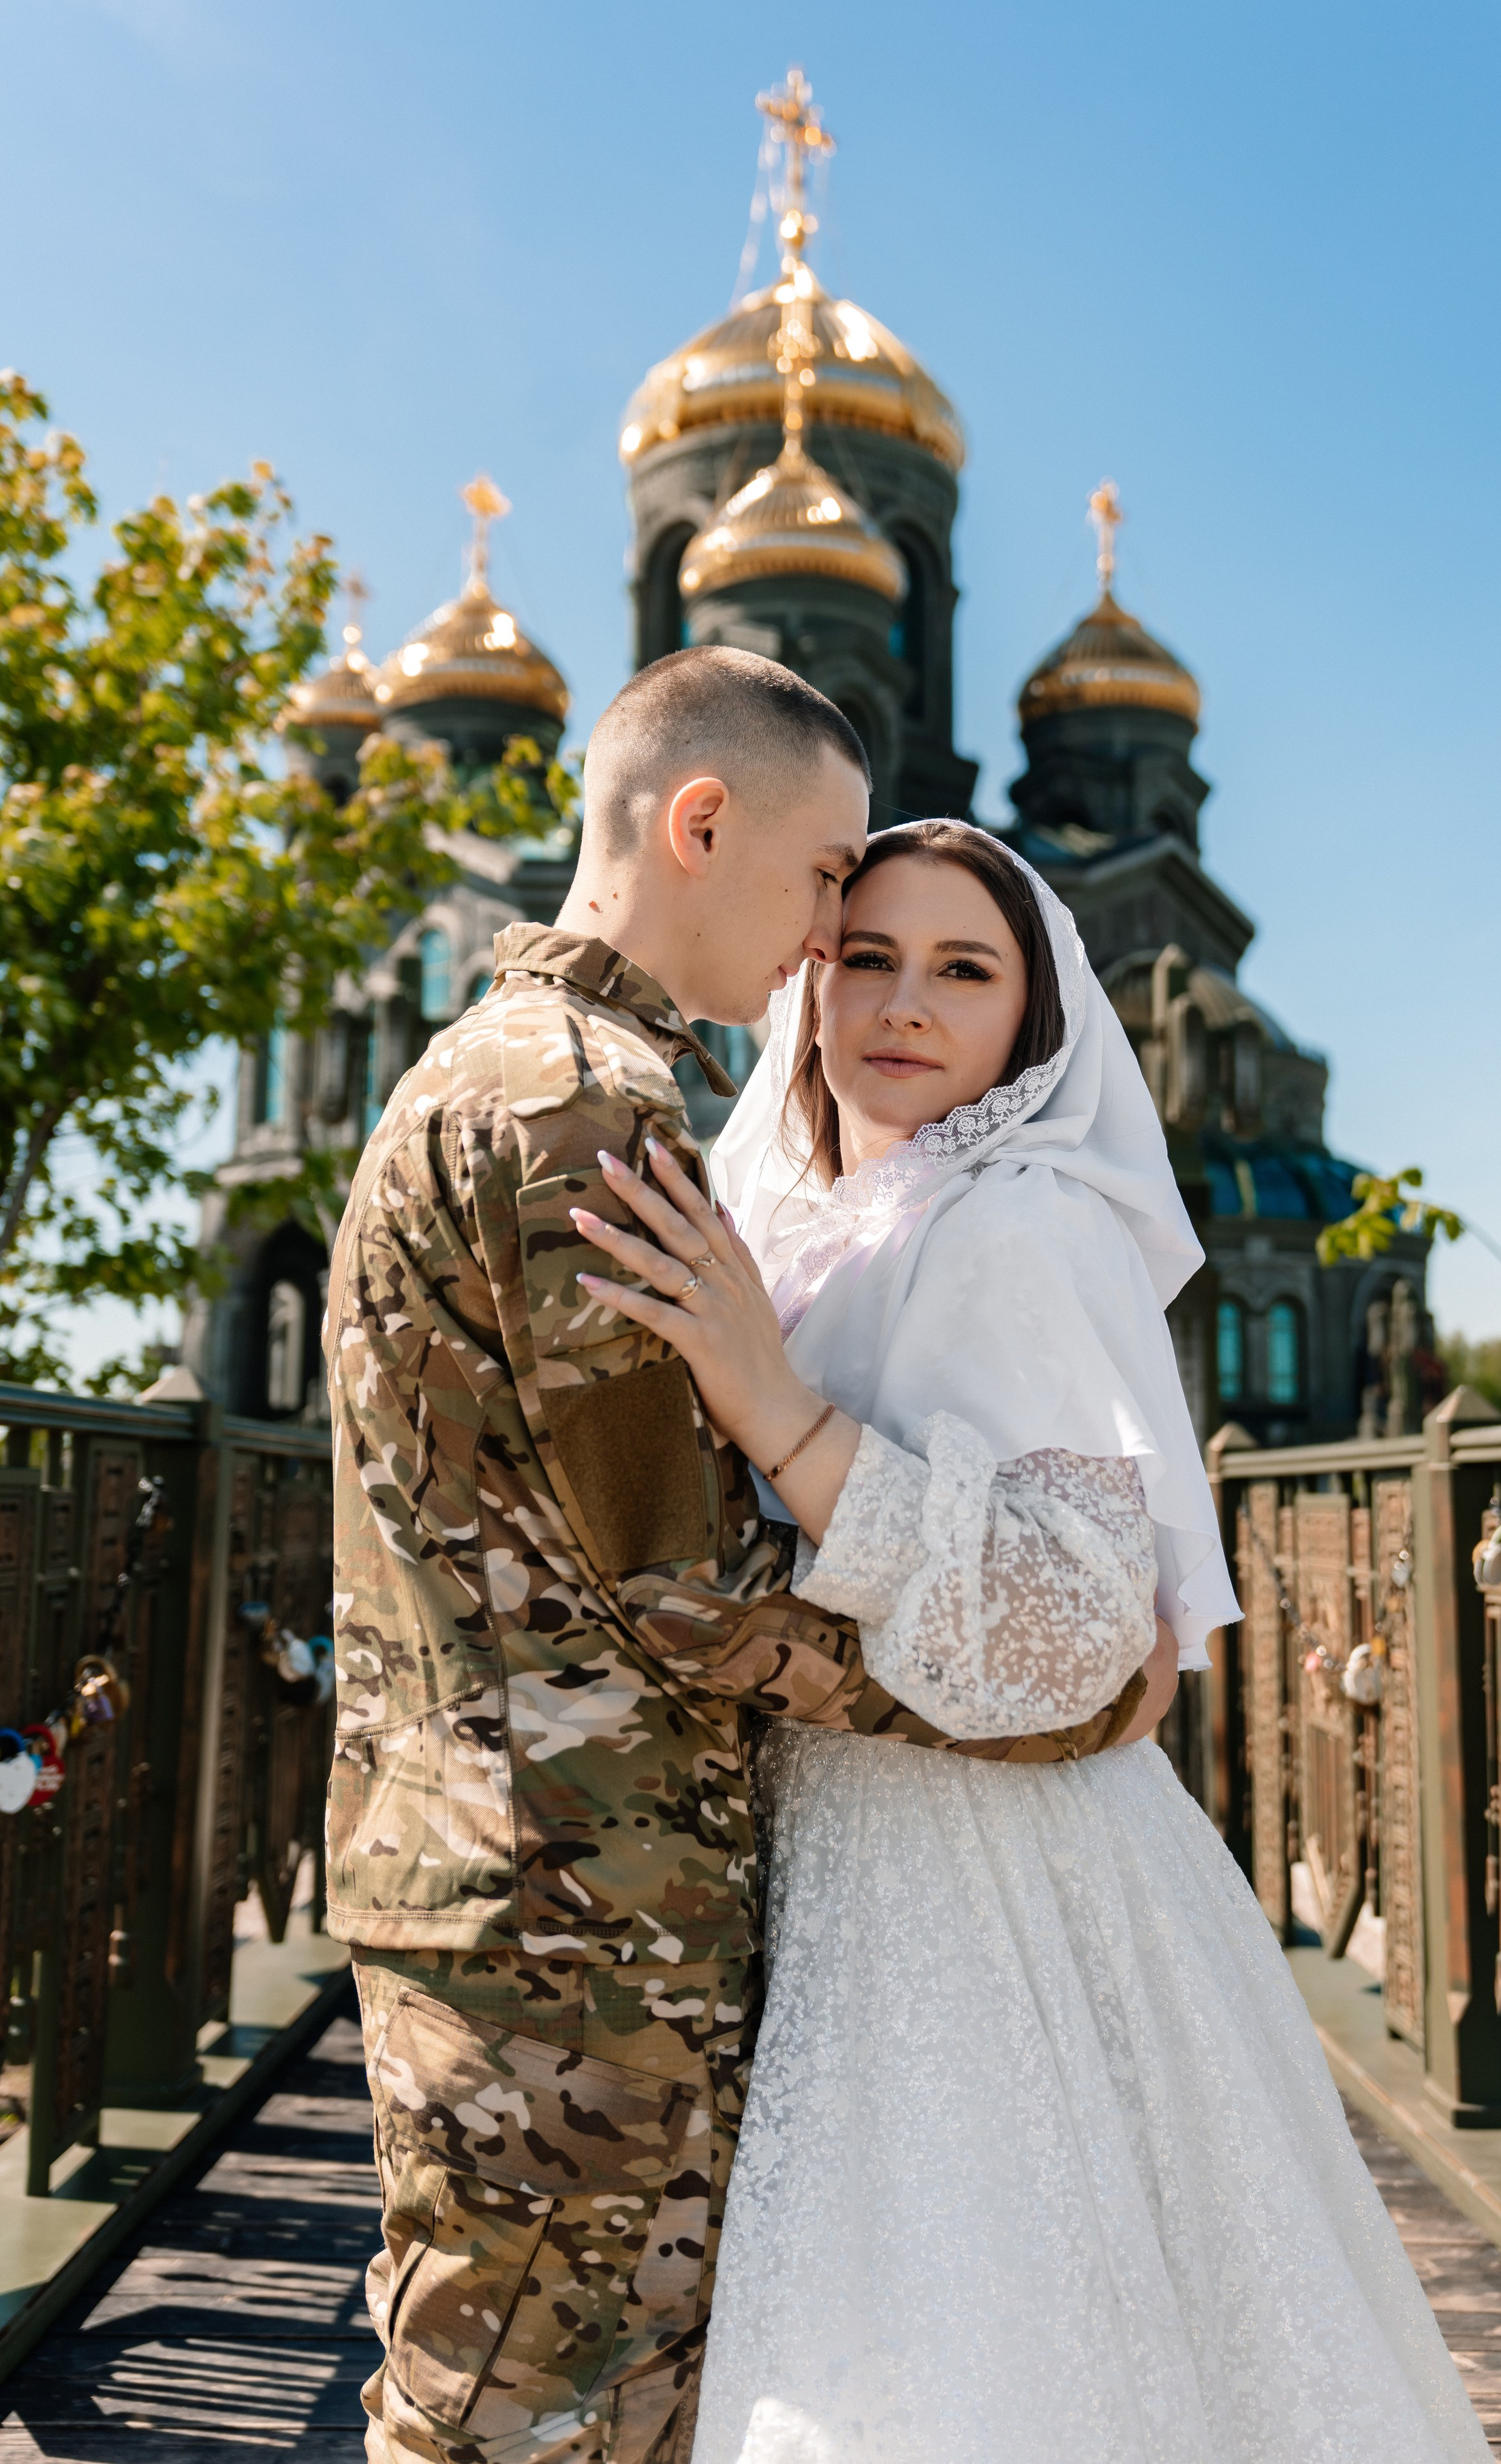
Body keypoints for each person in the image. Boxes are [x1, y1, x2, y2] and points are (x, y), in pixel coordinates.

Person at [576, 820, 1495, 2464]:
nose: (905, 1002)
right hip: (814, 1830)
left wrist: (777, 1413)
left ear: (1030, 1019)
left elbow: (1074, 1632)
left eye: (962, 969)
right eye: (868, 957)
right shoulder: (799, 1218)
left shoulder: (1019, 1221)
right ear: (809, 980)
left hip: (979, 1862)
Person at [326, 656, 1159, 2464]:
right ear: (701, 824)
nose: (827, 940)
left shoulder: (493, 1065)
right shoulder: (583, 1109)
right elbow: (684, 1583)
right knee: (531, 2424)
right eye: (824, 885)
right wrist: (1042, 1705)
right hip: (571, 1922)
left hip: (518, 1888)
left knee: (505, 2405)